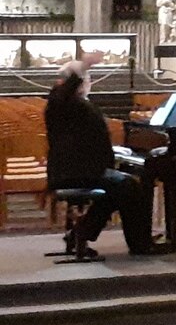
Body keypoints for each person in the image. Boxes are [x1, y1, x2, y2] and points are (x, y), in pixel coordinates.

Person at [45, 55, 162, 256]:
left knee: (120, 188)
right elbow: (95, 140)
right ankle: (138, 244)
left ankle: (81, 233)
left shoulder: (63, 103)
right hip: (77, 170)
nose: (89, 83)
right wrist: (83, 66)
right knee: (128, 186)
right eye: (87, 79)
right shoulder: (69, 103)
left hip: (73, 168)